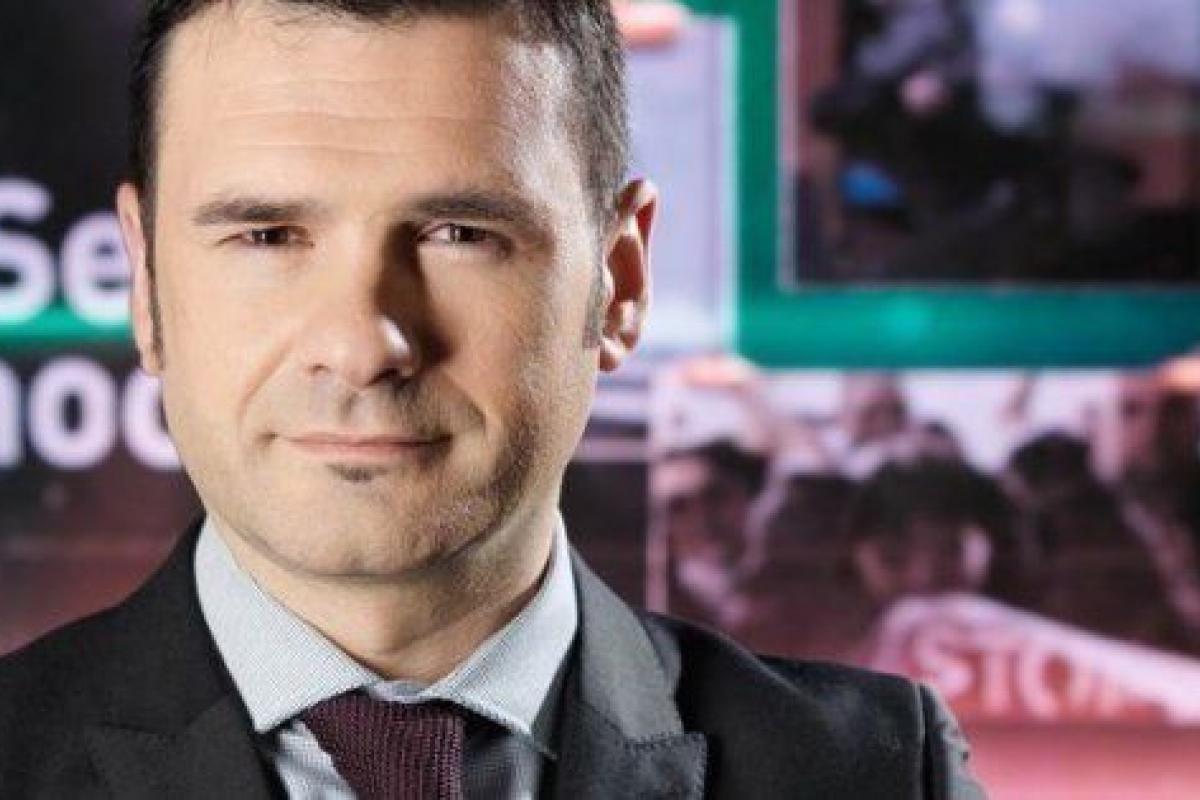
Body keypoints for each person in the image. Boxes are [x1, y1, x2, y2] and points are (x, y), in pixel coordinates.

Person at [0, 1, 985, 797]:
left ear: (620, 282)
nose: (362, 346)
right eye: (266, 237)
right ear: (144, 284)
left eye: (460, 234)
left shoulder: (877, 774)